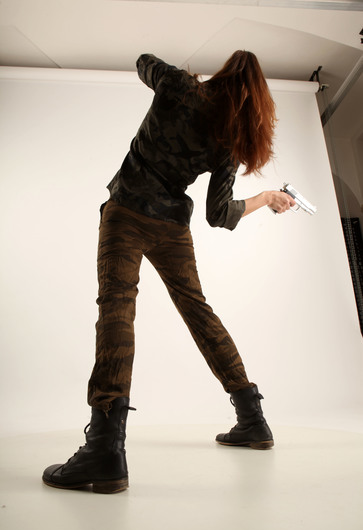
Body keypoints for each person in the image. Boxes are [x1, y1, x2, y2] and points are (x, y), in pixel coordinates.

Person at [42, 51, 296, 494]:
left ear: (224, 74)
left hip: (127, 212)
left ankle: (105, 446)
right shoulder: (228, 140)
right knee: (199, 313)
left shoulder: (179, 87)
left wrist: (178, 77)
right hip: (172, 227)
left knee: (117, 309)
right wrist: (267, 197)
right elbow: (220, 214)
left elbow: (143, 61)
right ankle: (252, 418)